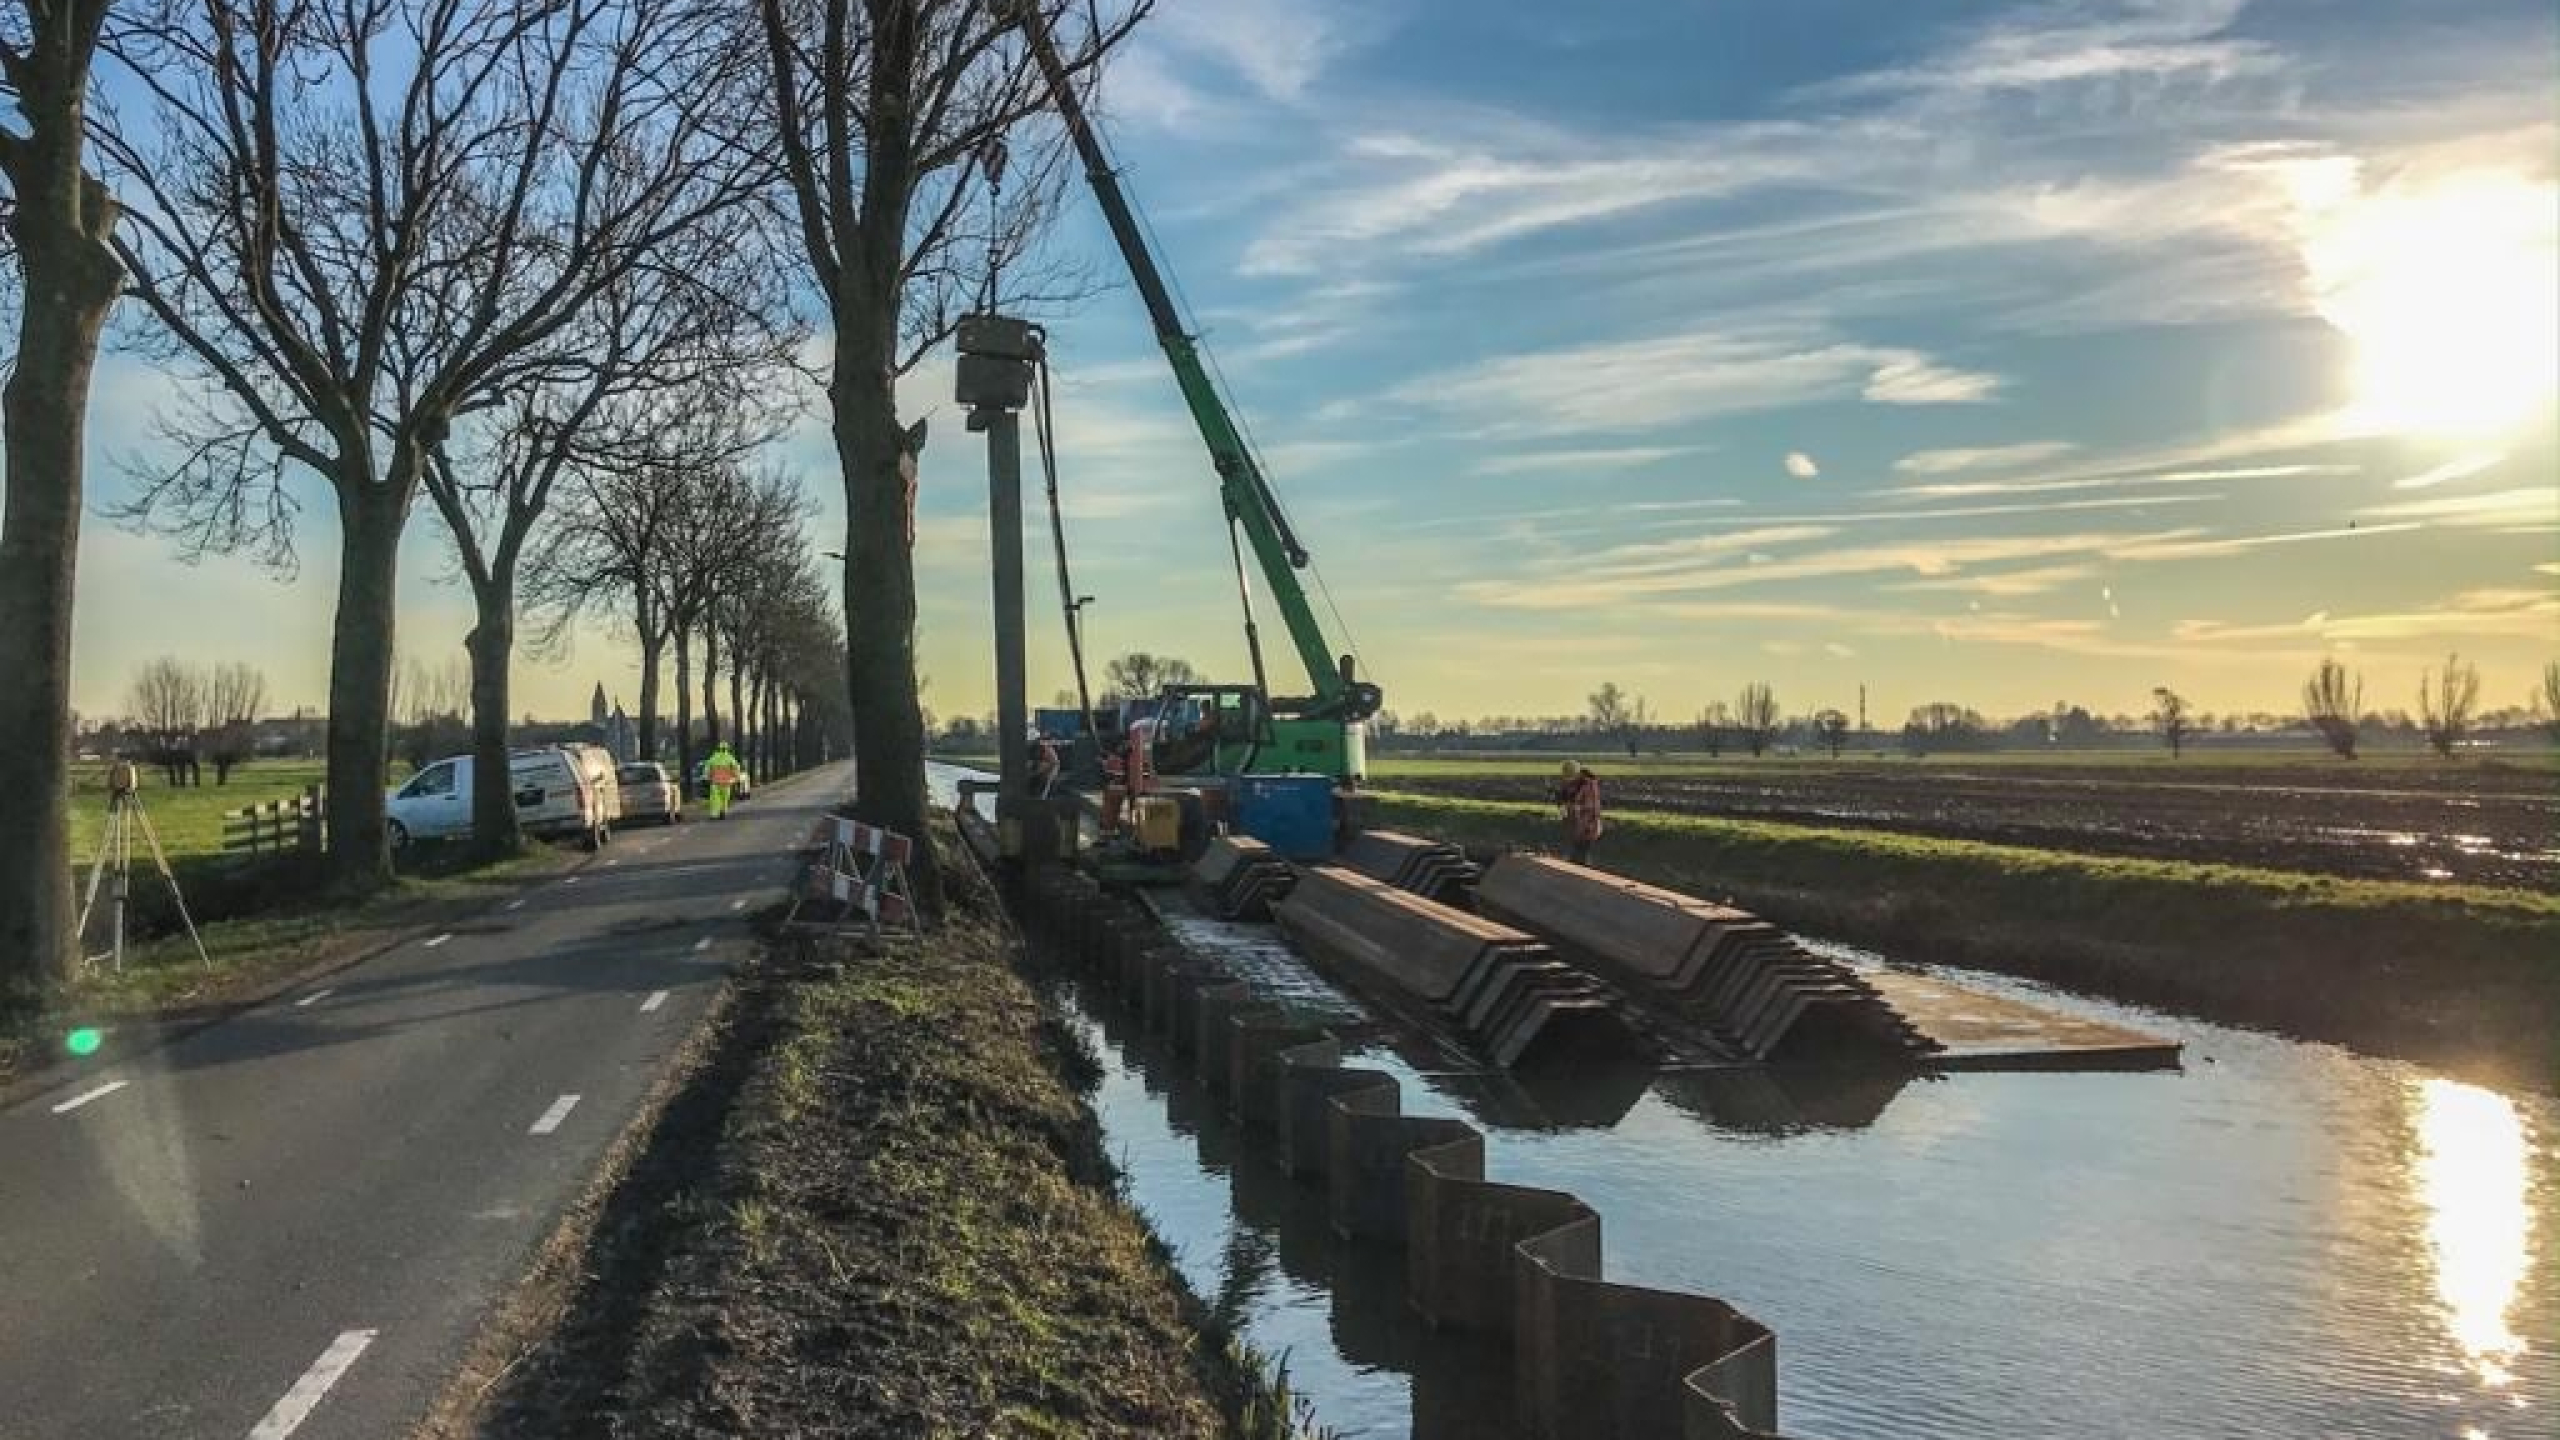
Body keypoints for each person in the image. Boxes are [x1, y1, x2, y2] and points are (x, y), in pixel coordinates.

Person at [1556, 761, 1603, 866]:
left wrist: (1577, 808)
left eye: (1570, 777)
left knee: (1582, 854)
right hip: (1575, 825)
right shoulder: (1569, 783)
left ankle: (1584, 875)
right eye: (1566, 777)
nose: (1567, 779)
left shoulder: (1589, 785)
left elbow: (1593, 807)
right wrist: (1562, 806)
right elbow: (1564, 798)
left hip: (1589, 826)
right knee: (1575, 855)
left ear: (1578, 773)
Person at [705, 740, 742, 820]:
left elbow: (707, 768)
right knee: (725, 798)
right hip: (726, 782)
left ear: (718, 749)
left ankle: (714, 814)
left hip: (715, 782)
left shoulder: (713, 758)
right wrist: (736, 778)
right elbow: (736, 768)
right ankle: (723, 812)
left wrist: (708, 778)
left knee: (715, 798)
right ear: (727, 749)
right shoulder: (730, 758)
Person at [1027, 727, 1061, 799]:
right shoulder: (1032, 748)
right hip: (1044, 766)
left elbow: (1048, 763)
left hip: (1052, 766)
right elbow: (1032, 761)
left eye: (1032, 741)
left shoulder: (1044, 748)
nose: (1030, 742)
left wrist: (1034, 773)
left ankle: (1044, 798)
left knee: (1047, 783)